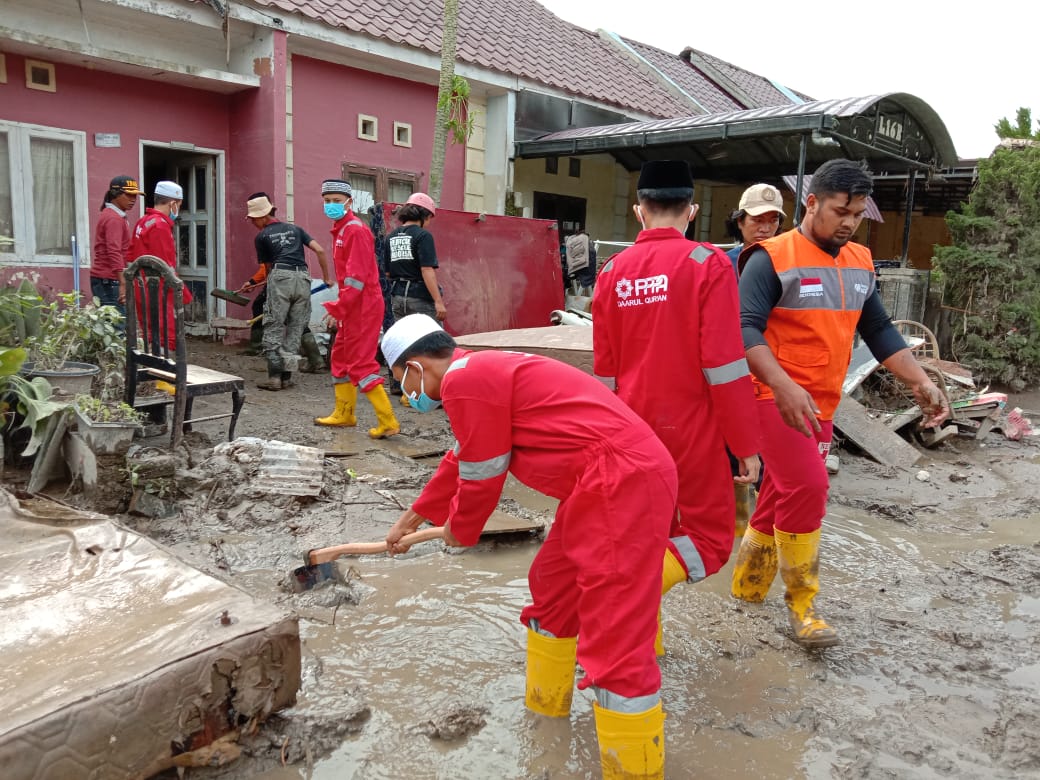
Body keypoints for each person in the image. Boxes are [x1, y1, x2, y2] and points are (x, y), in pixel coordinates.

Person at [382, 314, 677, 780]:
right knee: (552, 585)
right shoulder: (476, 374)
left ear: (415, 366)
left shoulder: (465, 381)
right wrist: (410, 519)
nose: (406, 394)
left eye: (401, 380)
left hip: (622, 481)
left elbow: (483, 474)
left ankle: (634, 768)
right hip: (598, 485)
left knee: (614, 630)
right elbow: (460, 459)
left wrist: (460, 530)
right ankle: (546, 722)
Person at [733, 159, 950, 649]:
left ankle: (746, 587)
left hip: (823, 403)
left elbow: (877, 329)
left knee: (778, 498)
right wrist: (783, 384)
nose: (848, 222)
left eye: (856, 213)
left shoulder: (859, 261)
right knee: (809, 490)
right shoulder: (771, 258)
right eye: (839, 211)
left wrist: (920, 380)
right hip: (771, 396)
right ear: (811, 203)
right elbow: (743, 327)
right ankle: (803, 606)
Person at [592, 160, 761, 656]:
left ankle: (648, 646)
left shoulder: (612, 272)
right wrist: (744, 444)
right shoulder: (706, 264)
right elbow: (725, 367)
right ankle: (629, 606)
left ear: (638, 211)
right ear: (692, 211)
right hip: (690, 429)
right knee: (709, 542)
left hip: (626, 427)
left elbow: (605, 370)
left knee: (647, 534)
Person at [723, 184, 787, 534]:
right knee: (734, 449)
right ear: (740, 220)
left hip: (772, 369)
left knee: (772, 451)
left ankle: (765, 527)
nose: (764, 227)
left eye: (772, 220)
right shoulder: (723, 264)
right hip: (730, 370)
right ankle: (735, 526)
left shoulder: (787, 260)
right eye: (756, 219)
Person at [314, 179, 399, 438]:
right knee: (339, 357)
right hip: (354, 305)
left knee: (360, 363)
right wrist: (342, 307)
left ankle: (387, 422)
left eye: (336, 201)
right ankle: (344, 413)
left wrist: (339, 307)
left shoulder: (355, 230)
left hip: (363, 307)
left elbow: (356, 278)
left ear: (349, 202)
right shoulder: (342, 230)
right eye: (327, 201)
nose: (331, 206)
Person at [245, 193, 331, 390]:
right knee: (295, 328)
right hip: (303, 277)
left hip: (280, 275)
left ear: (262, 216)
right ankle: (286, 378)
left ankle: (274, 377)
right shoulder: (296, 229)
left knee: (274, 326)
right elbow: (320, 250)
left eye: (253, 219)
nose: (252, 223)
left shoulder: (262, 236)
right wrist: (326, 277)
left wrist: (268, 290)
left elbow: (268, 269)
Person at [383, 192, 445, 401]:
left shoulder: (391, 237)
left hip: (398, 297)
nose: (428, 223)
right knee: (431, 343)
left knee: (404, 342)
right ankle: (426, 391)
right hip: (419, 296)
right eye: (429, 218)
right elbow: (427, 269)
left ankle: (399, 385)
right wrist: (438, 301)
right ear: (423, 214)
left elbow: (389, 272)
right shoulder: (422, 236)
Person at [129, 180, 192, 353]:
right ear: (173, 203)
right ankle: (164, 378)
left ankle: (151, 375)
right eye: (179, 204)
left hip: (142, 286)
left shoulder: (143, 222)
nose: (178, 209)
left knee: (150, 332)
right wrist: (182, 292)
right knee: (167, 336)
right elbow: (165, 265)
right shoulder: (160, 226)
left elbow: (131, 255)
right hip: (159, 289)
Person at [91, 175, 143, 316]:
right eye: (129, 195)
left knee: (113, 326)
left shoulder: (114, 215)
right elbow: (113, 251)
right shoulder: (113, 218)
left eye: (135, 196)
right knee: (116, 327)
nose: (133, 200)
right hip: (109, 279)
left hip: (108, 278)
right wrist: (122, 282)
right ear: (115, 194)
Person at [724, 183, 786, 275]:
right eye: (758, 220)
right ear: (740, 221)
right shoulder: (725, 263)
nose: (765, 229)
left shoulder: (788, 263)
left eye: (773, 221)